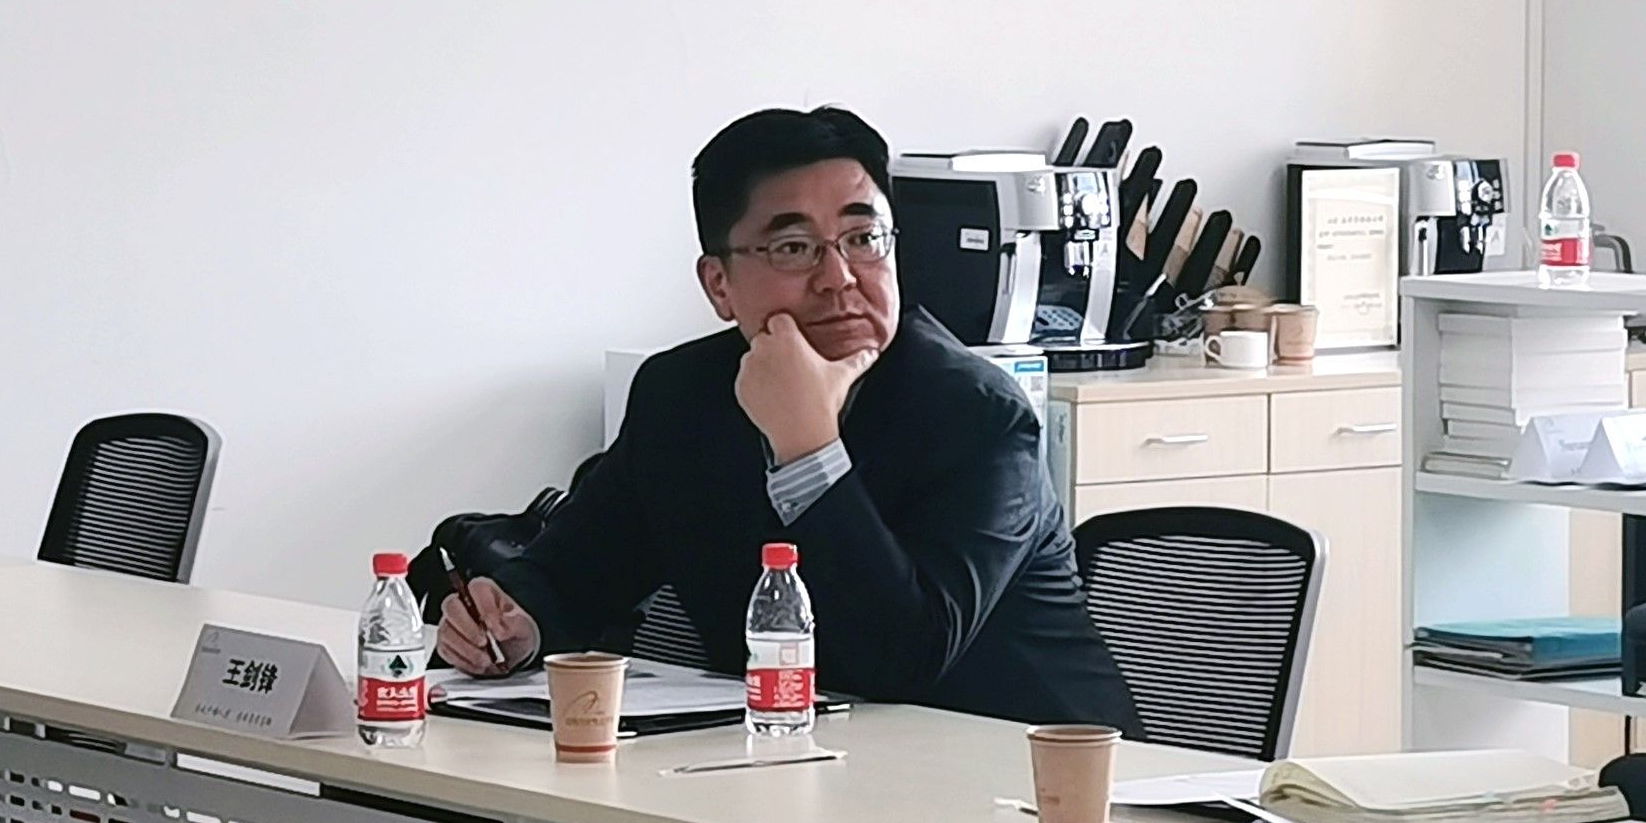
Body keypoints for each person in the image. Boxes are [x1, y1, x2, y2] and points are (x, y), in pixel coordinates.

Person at [436, 107, 1132, 727]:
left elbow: (899, 660)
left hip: (1029, 785)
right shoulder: (682, 395)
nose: (839, 277)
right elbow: (575, 572)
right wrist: (514, 623)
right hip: (791, 771)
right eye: (794, 248)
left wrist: (808, 449)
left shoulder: (976, 416)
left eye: (863, 239)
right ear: (719, 284)